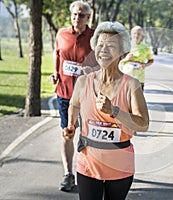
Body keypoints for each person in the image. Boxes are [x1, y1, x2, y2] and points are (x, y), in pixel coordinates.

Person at [62, 21, 149, 200]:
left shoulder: (131, 85)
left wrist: (114, 111)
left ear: (123, 52)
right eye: (100, 45)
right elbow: (74, 104)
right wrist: (71, 125)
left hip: (119, 166)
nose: (104, 50)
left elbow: (143, 124)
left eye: (111, 46)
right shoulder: (84, 82)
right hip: (88, 163)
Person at [49, 1, 94, 192]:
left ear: (88, 17)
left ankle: (89, 174)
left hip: (87, 95)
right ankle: (68, 174)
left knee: (89, 136)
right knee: (67, 133)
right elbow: (57, 53)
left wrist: (91, 69)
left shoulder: (94, 37)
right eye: (75, 14)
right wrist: (55, 72)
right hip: (65, 94)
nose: (77, 18)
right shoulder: (62, 34)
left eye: (81, 15)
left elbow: (104, 62)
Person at [119, 25, 154, 91]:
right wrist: (126, 59)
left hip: (139, 78)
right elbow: (118, 61)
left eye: (139, 34)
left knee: (137, 99)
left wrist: (145, 65)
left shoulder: (146, 48)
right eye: (134, 33)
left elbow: (151, 60)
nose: (136, 35)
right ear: (131, 34)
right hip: (126, 76)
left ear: (141, 36)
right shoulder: (125, 46)